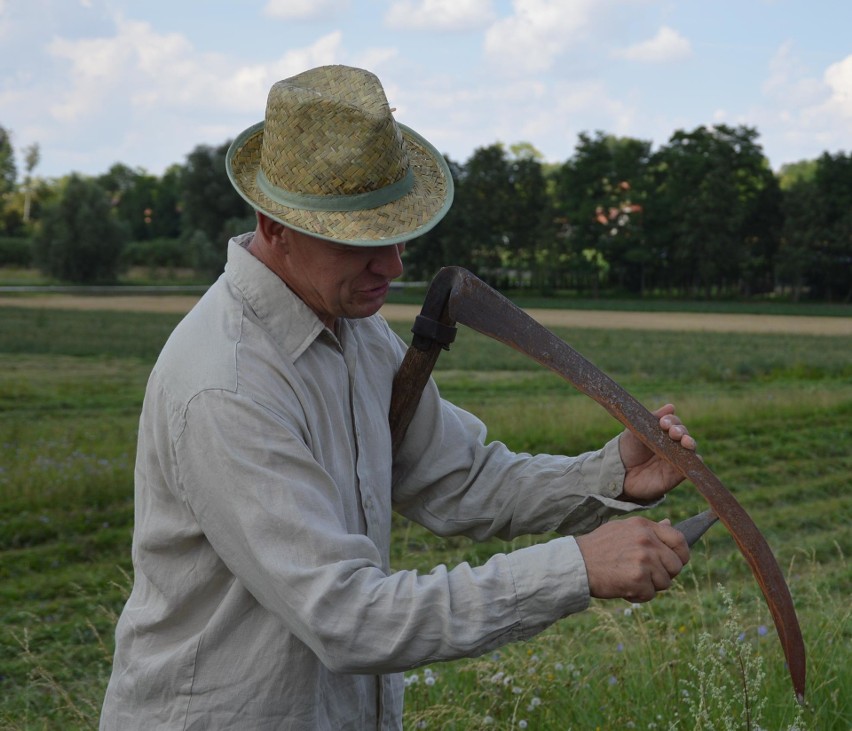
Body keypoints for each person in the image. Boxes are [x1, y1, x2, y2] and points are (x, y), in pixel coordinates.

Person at [100, 65, 696, 730]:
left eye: (397, 232)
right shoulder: (227, 385)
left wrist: (610, 472)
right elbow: (347, 615)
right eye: (361, 240)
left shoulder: (356, 330)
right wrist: (575, 567)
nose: (394, 265)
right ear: (275, 226)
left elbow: (460, 479)